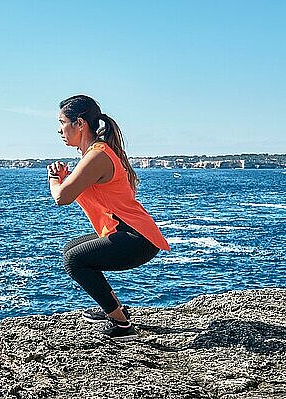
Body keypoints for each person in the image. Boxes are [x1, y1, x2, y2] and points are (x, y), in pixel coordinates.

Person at [47, 94, 170, 341]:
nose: (59, 129)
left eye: (62, 122)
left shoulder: (98, 155)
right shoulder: (95, 153)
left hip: (137, 238)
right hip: (129, 233)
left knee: (74, 260)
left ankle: (121, 325)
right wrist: (66, 177)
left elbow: (61, 197)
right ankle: (113, 307)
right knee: (72, 248)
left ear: (79, 123)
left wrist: (53, 177)